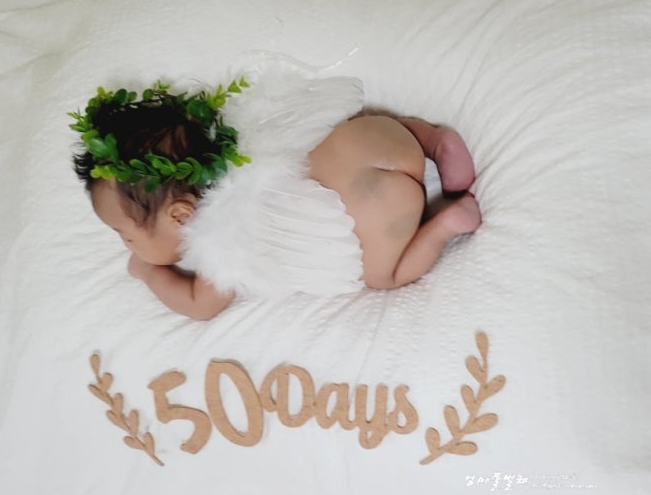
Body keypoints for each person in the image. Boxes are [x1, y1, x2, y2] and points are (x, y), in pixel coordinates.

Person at [71, 64, 480, 320]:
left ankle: (446, 224)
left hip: (378, 209)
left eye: (126, 235)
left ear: (180, 215)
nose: (126, 245)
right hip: (381, 140)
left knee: (384, 277)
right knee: (362, 125)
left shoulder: (223, 241)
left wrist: (148, 272)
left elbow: (200, 305)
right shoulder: (242, 143)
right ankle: (430, 140)